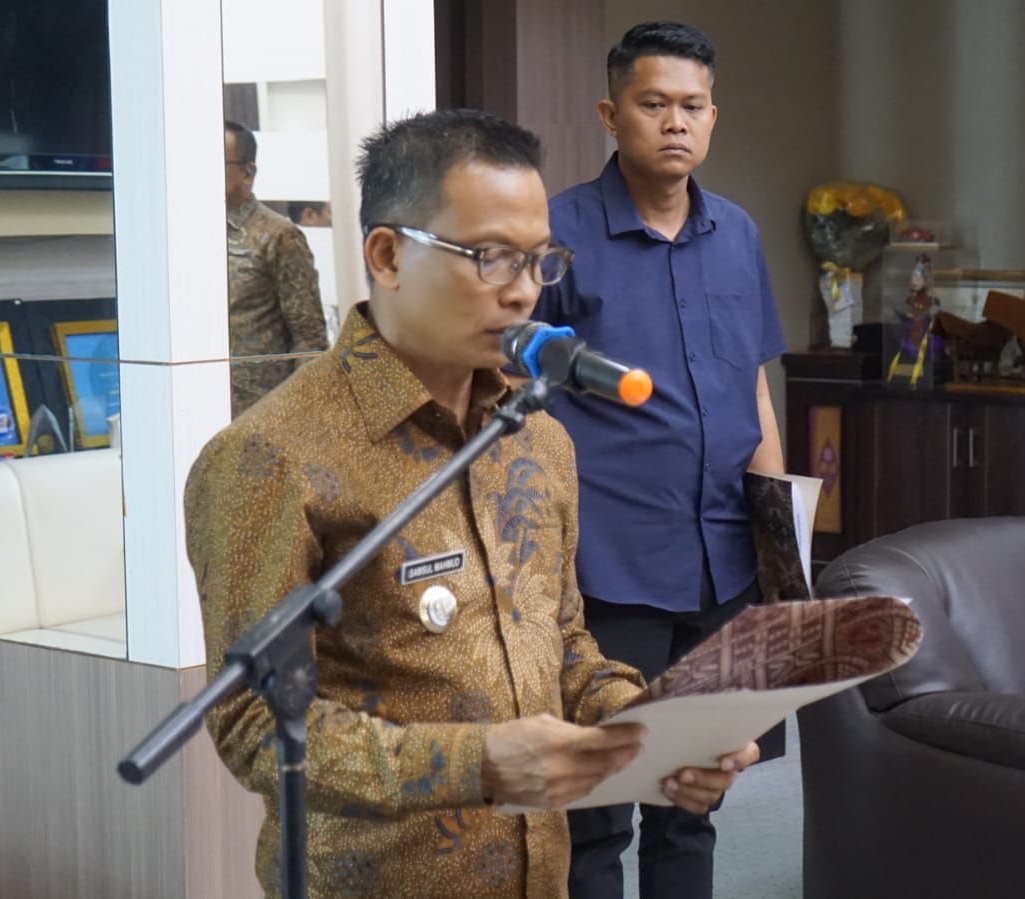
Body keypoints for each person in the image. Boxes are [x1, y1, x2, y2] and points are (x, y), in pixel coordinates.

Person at [189, 108, 759, 899]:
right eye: (489, 257)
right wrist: (477, 763)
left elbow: (562, 643)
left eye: (539, 260)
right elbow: (254, 725)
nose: (523, 291)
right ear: (388, 255)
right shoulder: (270, 456)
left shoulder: (538, 439)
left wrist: (650, 724)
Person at [530, 21, 786, 899]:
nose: (675, 122)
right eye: (653, 104)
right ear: (611, 114)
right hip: (610, 565)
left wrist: (779, 544)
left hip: (724, 560)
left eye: (691, 105)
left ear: (713, 116)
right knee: (600, 806)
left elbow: (753, 390)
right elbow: (511, 388)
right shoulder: (557, 232)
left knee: (694, 798)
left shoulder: (737, 232)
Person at [225, 120, 330, 416]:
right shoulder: (189, 237)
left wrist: (299, 414)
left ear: (248, 172)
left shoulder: (279, 235)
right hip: (197, 408)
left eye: (216, 163)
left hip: (262, 414)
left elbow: (309, 338)